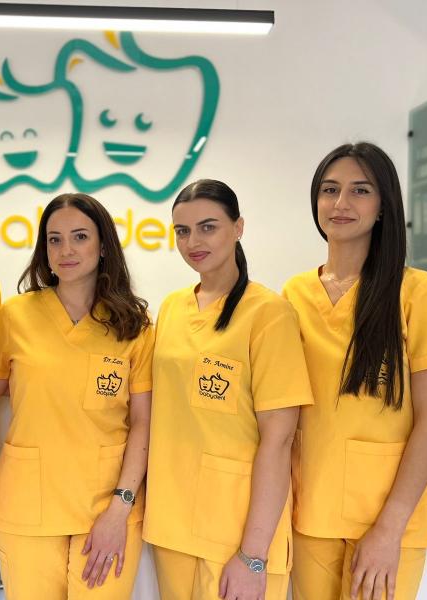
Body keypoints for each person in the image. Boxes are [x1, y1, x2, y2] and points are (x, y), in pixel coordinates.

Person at [283, 142, 427, 600]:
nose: (341, 203)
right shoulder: (294, 293)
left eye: (360, 190)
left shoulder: (417, 292)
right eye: (330, 190)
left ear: (383, 205)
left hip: (388, 520)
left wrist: (389, 529)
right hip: (310, 511)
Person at [0, 193, 153, 599]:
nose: (65, 250)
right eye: (54, 239)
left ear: (103, 245)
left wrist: (121, 507)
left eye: (79, 236)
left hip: (107, 507)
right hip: (28, 505)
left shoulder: (134, 325)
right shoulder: (15, 316)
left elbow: (144, 423)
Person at [143, 179, 313, 600]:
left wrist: (253, 555)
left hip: (236, 532)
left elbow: (279, 438)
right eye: (182, 231)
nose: (193, 242)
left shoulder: (269, 314)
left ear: (238, 228)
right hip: (172, 522)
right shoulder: (172, 307)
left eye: (208, 227)